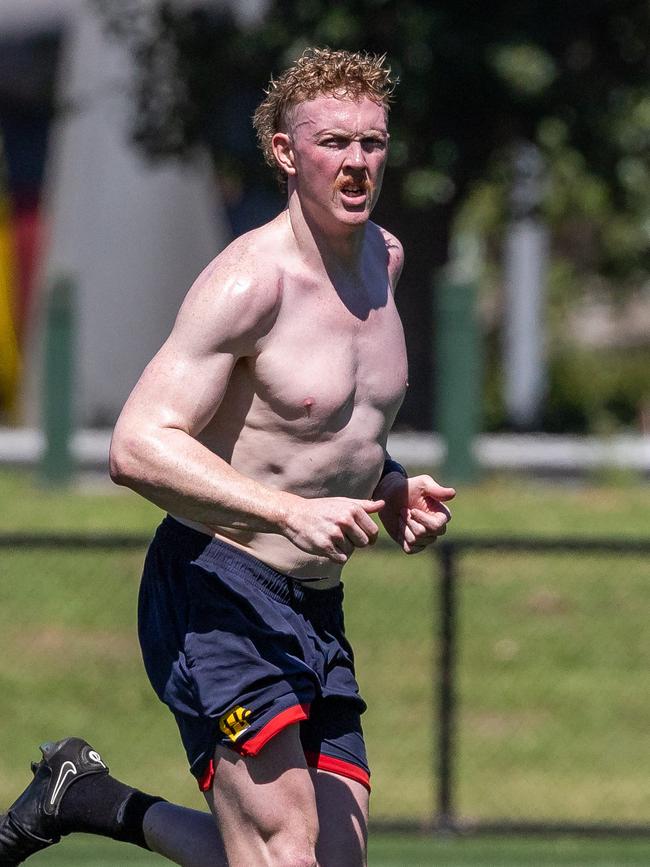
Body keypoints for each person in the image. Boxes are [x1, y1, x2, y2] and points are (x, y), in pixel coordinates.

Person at [0, 47, 455, 867]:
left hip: (314, 604)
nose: (356, 163)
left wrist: (388, 484)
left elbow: (326, 427)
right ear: (285, 152)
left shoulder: (384, 262)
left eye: (372, 143)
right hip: (218, 585)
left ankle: (84, 797)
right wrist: (286, 510)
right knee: (283, 852)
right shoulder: (249, 284)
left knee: (323, 861)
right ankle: (86, 797)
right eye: (333, 143)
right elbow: (136, 445)